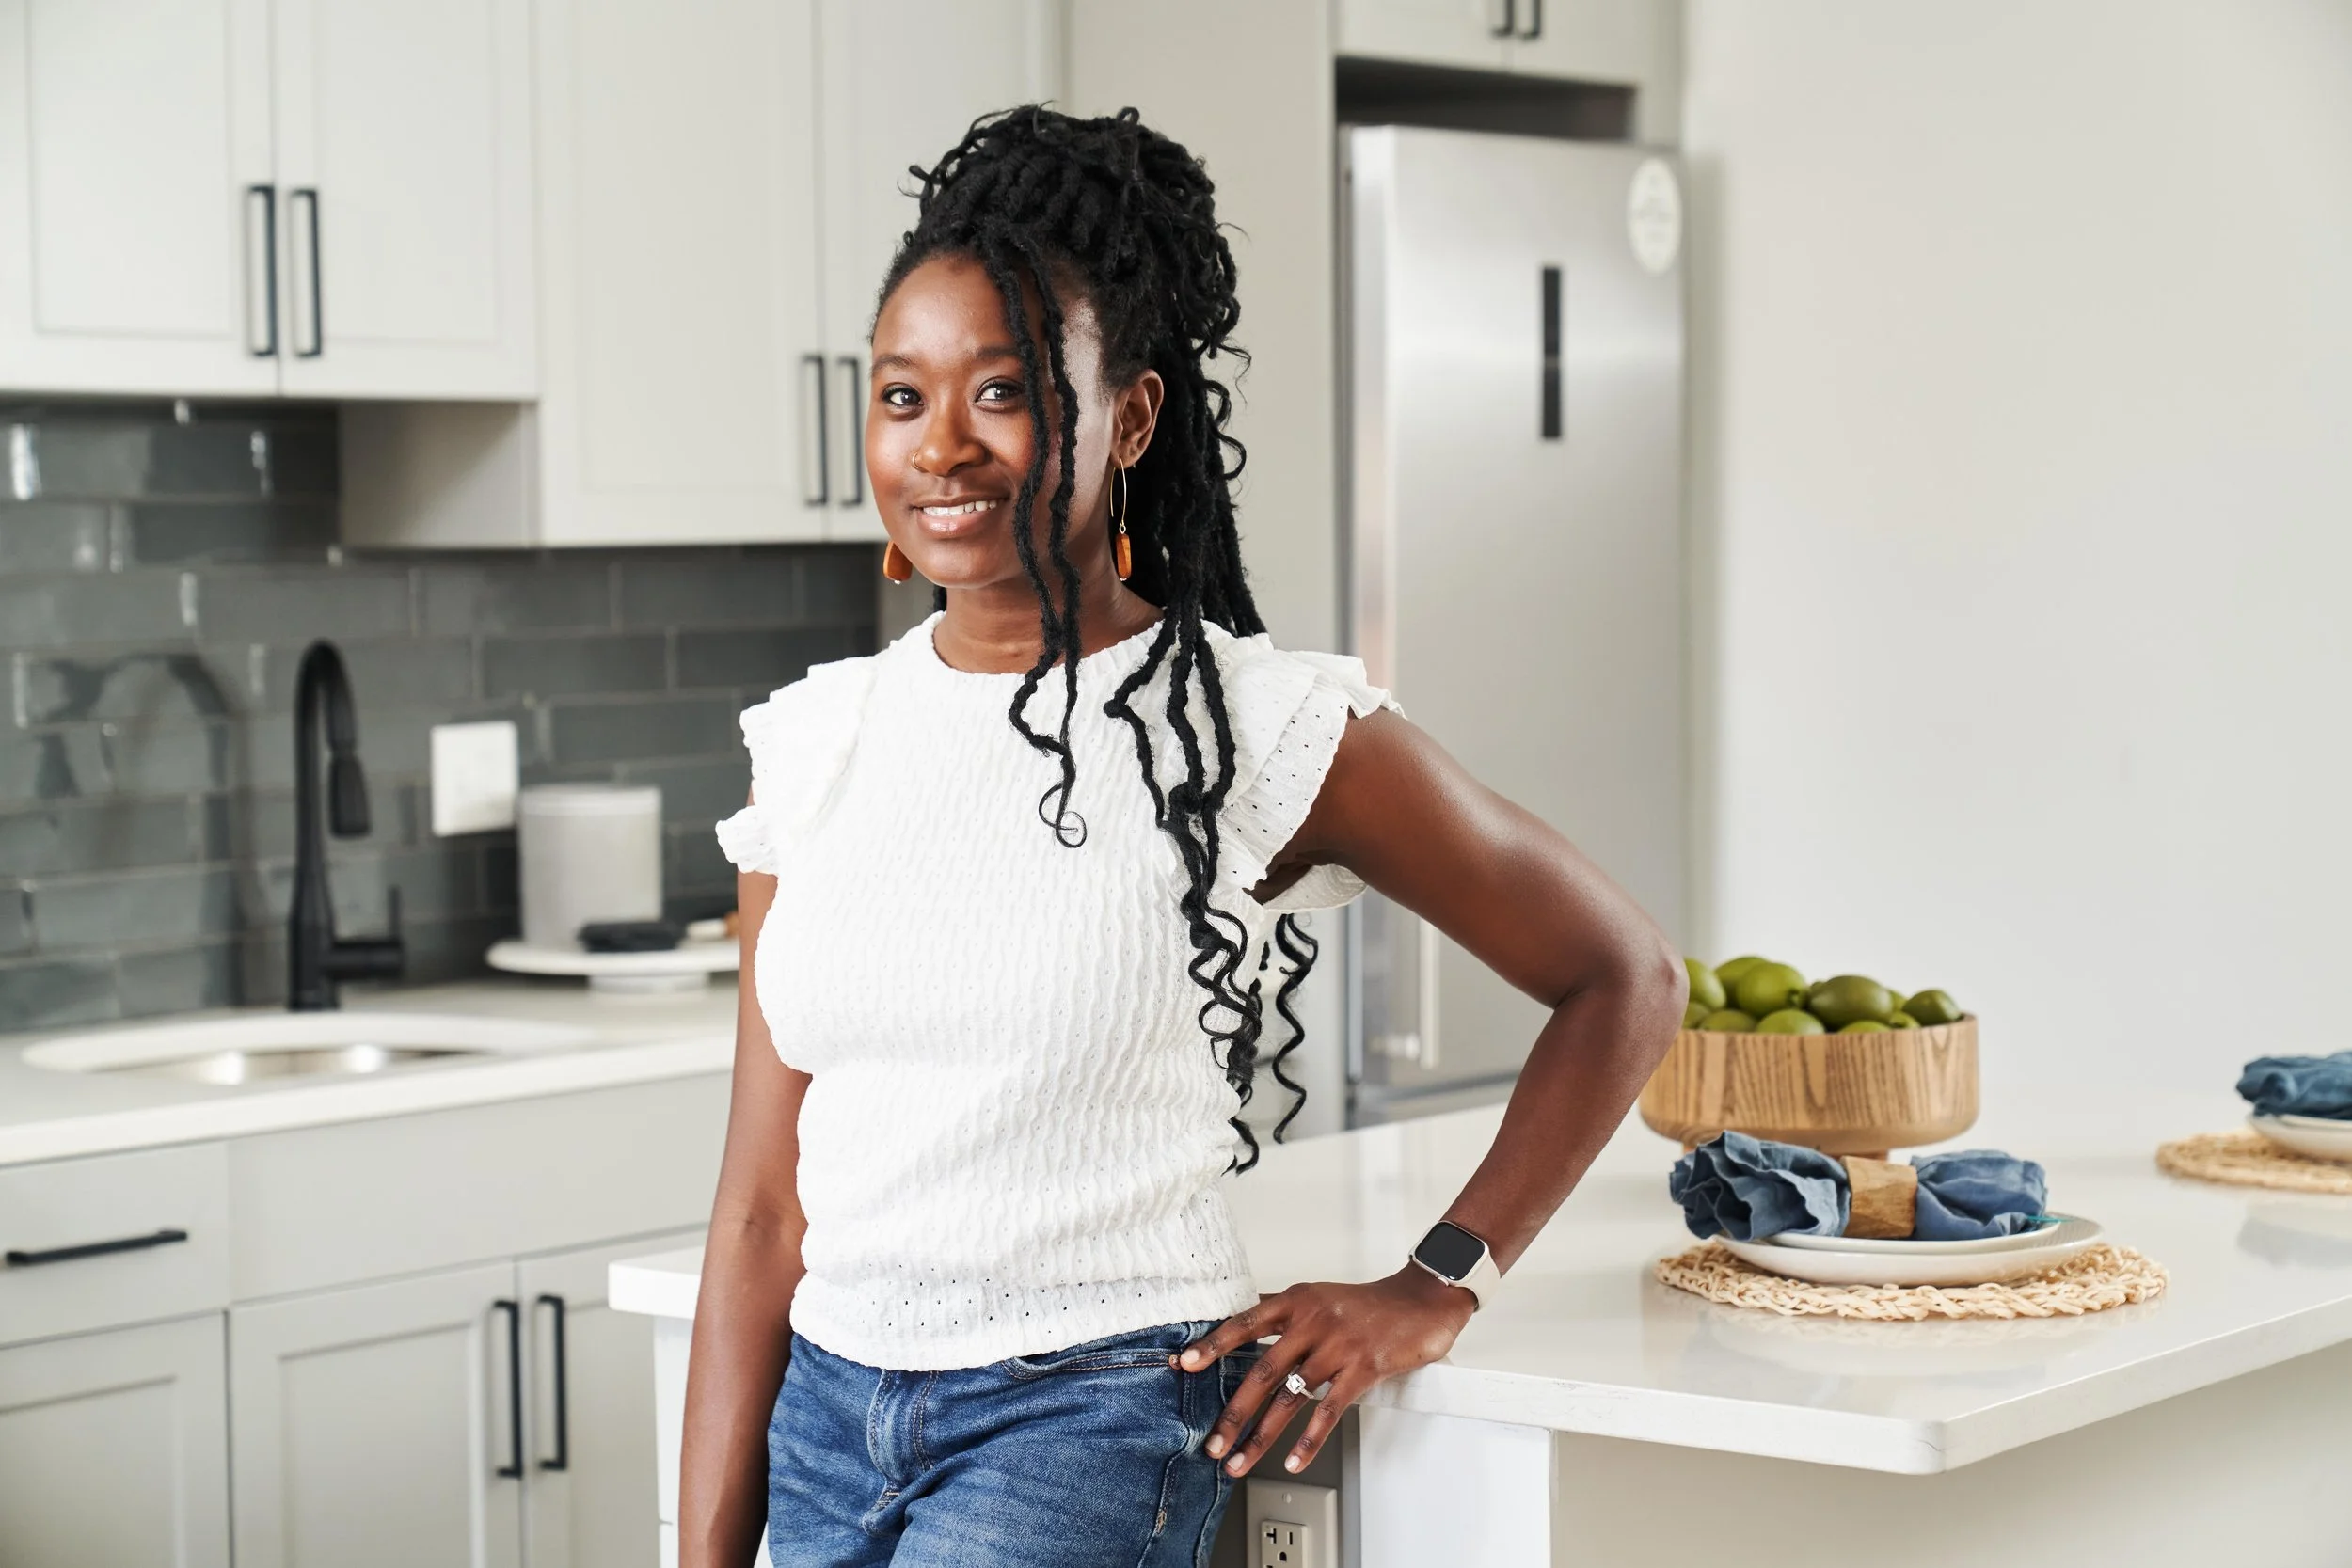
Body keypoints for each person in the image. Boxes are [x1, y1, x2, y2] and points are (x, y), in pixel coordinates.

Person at [678, 105, 1685, 1568]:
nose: (942, 446)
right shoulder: (816, 741)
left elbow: (1625, 977)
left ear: (1132, 417)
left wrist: (1439, 1278)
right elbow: (762, 1209)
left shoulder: (1258, 727)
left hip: (1085, 1417)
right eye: (903, 396)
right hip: (826, 1419)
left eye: (1005, 392)